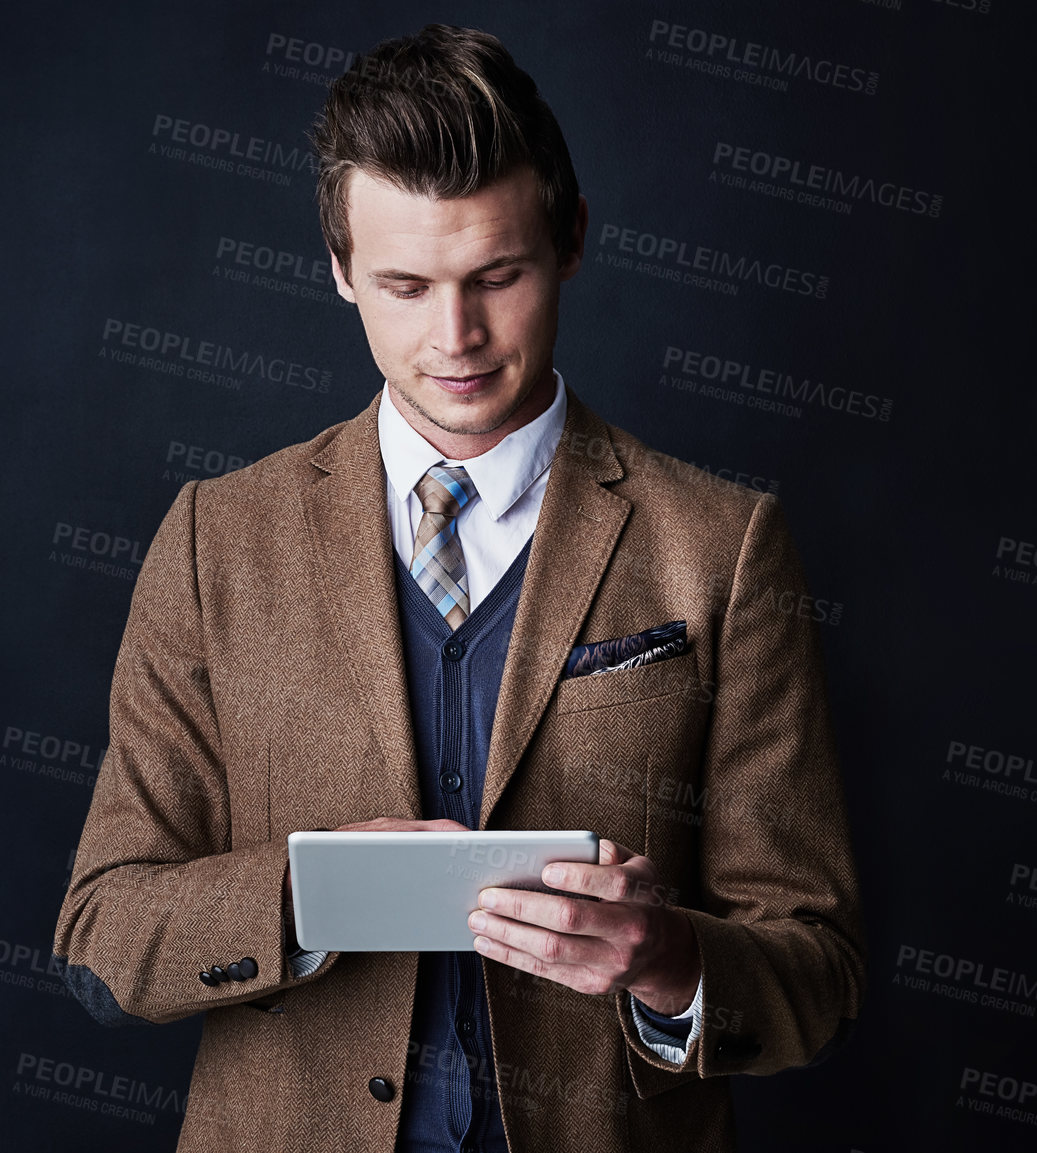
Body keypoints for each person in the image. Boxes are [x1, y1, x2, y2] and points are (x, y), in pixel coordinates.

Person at [53, 24, 863, 1153]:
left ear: (569, 239)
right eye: (403, 284)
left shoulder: (722, 547)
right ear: (338, 271)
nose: (456, 338)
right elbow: (102, 933)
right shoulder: (214, 538)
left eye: (496, 275)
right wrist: (305, 893)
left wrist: (668, 958)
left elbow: (817, 971)